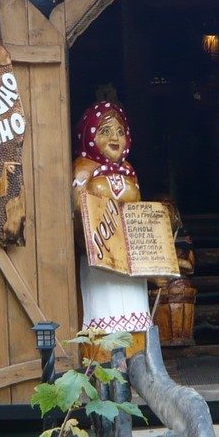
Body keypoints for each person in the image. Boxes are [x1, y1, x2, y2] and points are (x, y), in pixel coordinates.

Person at [73, 101, 150, 357]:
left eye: (119, 131)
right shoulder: (83, 169)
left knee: (134, 311)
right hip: (100, 259)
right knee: (104, 311)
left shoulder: (129, 170)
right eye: (104, 131)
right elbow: (78, 209)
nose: (114, 138)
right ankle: (102, 363)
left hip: (129, 258)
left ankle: (137, 360)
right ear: (89, 135)